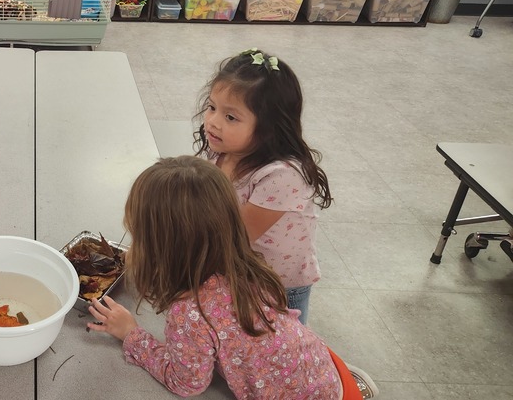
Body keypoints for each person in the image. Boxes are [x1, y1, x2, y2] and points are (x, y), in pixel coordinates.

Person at [86, 156, 377, 399]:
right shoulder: (248, 265)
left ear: (160, 249)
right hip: (323, 370)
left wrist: (131, 334)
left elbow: (186, 382)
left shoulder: (190, 313)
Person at [193, 48, 331, 325]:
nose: (213, 122)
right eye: (211, 107)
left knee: (279, 357)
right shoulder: (222, 151)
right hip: (237, 272)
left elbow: (236, 237)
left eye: (230, 117)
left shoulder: (282, 175)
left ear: (270, 126)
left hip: (279, 287)